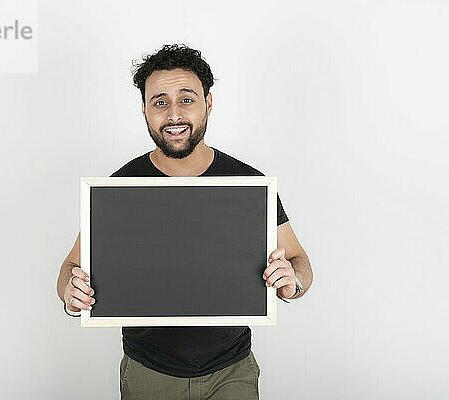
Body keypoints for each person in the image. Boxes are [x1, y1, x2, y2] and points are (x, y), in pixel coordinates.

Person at [56, 44, 313, 400]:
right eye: (160, 101)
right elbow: (70, 266)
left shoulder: (248, 185)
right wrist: (71, 293)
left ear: (208, 102)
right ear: (144, 110)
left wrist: (292, 281)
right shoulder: (118, 189)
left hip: (231, 372)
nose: (174, 114)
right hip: (148, 372)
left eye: (187, 99)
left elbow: (301, 262)